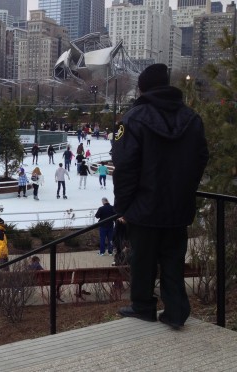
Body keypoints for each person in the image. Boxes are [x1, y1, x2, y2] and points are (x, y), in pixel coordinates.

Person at [112, 63, 208, 329]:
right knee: (173, 259)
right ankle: (176, 310)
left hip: (144, 207)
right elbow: (201, 158)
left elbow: (125, 167)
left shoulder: (133, 118)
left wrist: (123, 207)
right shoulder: (192, 118)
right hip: (178, 206)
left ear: (142, 88)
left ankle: (143, 306)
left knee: (142, 259)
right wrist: (185, 189)